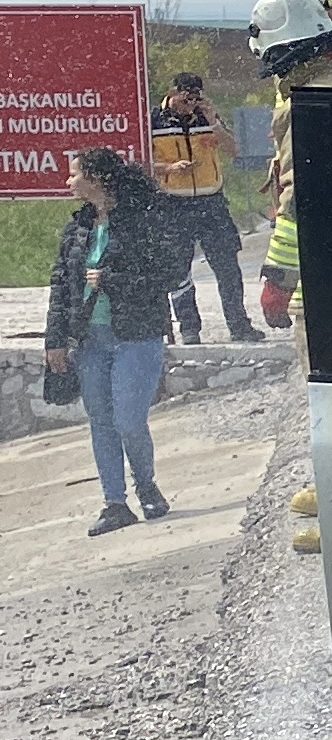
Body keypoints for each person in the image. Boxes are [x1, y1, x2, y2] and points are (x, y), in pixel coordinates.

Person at [248, 0, 332, 553]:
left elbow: (304, 203)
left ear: (282, 55)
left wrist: (277, 279)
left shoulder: (309, 106)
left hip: (325, 287)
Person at [46, 149, 199, 536]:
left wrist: (113, 281)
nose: (68, 182)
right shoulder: (77, 226)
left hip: (137, 335)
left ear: (97, 179)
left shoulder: (142, 219)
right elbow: (61, 286)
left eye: (74, 174)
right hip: (90, 340)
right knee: (101, 422)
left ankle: (147, 487)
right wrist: (55, 340)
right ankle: (114, 503)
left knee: (129, 420)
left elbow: (168, 272)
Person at [151, 71, 265, 343]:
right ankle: (189, 328)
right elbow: (139, 160)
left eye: (195, 96)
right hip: (173, 203)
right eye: (184, 96)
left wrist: (213, 121)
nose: (189, 102)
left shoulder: (207, 118)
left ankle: (239, 326)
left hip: (211, 202)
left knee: (227, 266)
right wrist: (168, 168)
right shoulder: (154, 120)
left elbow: (234, 150)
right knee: (178, 269)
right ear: (172, 92)